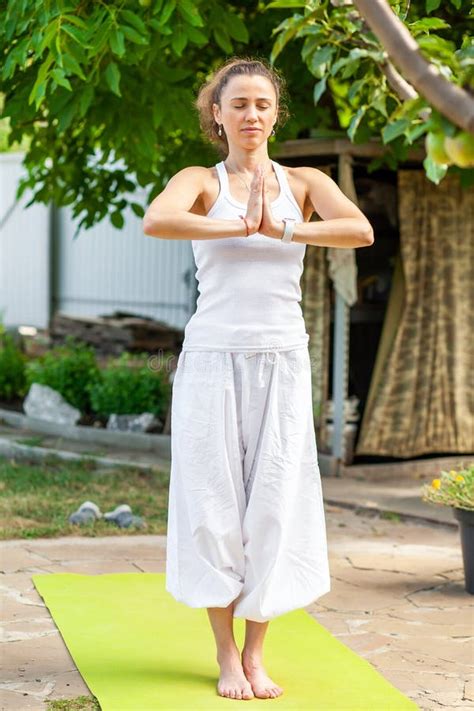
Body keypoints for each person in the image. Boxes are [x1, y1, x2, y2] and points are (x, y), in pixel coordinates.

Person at [143, 56, 374, 702]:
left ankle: (256, 653)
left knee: (273, 503)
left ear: (276, 114)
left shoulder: (303, 182)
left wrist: (282, 225)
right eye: (238, 103)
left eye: (262, 104)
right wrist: (232, 222)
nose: (251, 114)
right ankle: (223, 652)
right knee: (213, 504)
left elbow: (359, 229)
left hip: (281, 357)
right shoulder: (199, 178)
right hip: (214, 358)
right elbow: (157, 219)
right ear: (217, 114)